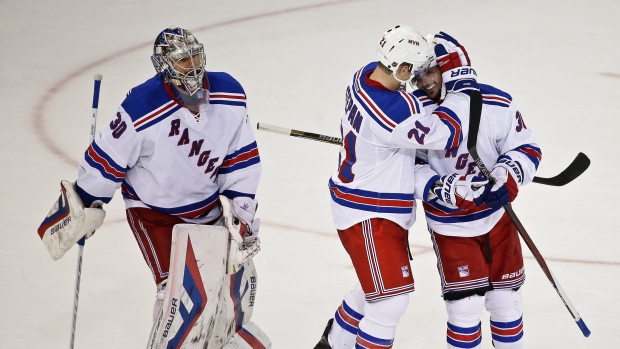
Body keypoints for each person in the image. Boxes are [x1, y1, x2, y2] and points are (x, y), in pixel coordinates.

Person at [44, 27, 269, 347]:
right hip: (154, 212)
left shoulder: (229, 93)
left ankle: (222, 341)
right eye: (181, 61)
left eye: (194, 56)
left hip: (206, 206)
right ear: (164, 68)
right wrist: (87, 201)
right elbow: (109, 157)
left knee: (220, 289)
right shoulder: (141, 107)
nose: (192, 67)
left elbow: (240, 157)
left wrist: (242, 213)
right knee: (175, 292)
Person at [314, 25, 486, 349]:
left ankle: (332, 343)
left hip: (371, 206)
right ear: (402, 68)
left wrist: (436, 185)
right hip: (368, 214)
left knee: (372, 290)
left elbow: (401, 155)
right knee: (389, 303)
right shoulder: (397, 113)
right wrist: (462, 87)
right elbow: (447, 132)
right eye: (415, 71)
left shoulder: (364, 75)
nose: (419, 80)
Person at [412, 32, 542, 348]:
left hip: (498, 220)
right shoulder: (414, 114)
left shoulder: (497, 102)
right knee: (464, 309)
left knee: (506, 303)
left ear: (449, 66)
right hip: (451, 225)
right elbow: (406, 169)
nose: (423, 82)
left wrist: (506, 176)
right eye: (416, 76)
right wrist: (441, 187)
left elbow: (526, 147)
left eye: (430, 70)